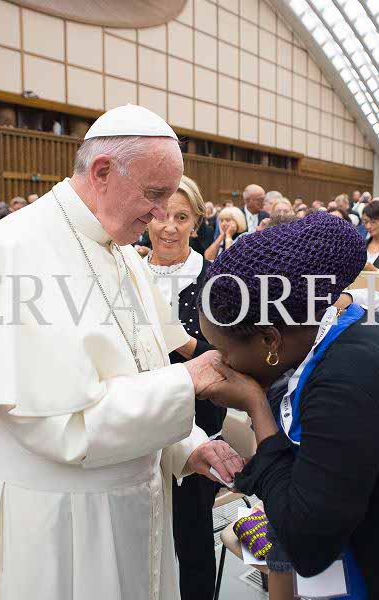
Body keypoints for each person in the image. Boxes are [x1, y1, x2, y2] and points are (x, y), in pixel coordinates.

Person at [0, 104, 244, 600]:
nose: (158, 217)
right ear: (103, 171)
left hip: (137, 509)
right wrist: (189, 379)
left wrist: (188, 446)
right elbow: (60, 425)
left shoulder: (123, 252)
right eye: (153, 196)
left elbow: (142, 369)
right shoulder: (15, 250)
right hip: (65, 527)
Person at [198, 212, 379, 600]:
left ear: (270, 340)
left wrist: (256, 405)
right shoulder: (345, 321)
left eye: (223, 350)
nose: (219, 361)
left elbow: (306, 543)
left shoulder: (345, 381)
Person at [146, 174, 227, 600]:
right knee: (141, 539)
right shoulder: (129, 274)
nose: (169, 226)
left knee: (193, 542)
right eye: (161, 215)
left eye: (181, 216)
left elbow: (230, 359)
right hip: (136, 428)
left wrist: (183, 341)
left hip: (195, 430)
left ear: (197, 222)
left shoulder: (217, 281)